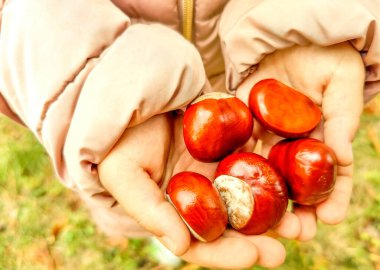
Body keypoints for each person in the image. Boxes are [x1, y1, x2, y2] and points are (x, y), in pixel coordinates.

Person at [0, 0, 379, 268]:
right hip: (135, 99)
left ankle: (174, 233)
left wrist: (325, 17)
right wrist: (90, 90)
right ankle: (161, 238)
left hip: (252, 55)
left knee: (170, 197)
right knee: (146, 199)